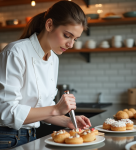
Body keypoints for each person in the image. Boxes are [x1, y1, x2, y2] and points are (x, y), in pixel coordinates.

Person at [0, 1, 91, 149]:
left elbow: (41, 109)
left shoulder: (53, 59)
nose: (71, 44)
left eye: (75, 39)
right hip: (7, 138)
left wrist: (66, 121)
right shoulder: (15, 52)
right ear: (49, 25)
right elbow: (6, 112)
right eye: (67, 35)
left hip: (32, 136)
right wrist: (56, 109)